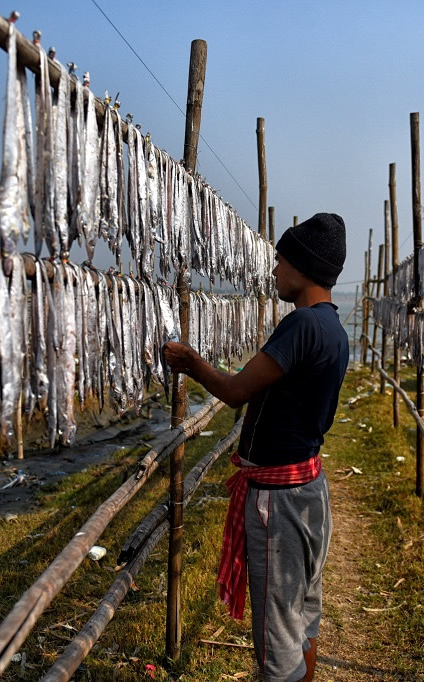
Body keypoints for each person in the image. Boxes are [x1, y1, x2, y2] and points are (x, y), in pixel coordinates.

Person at [163, 212, 349, 682]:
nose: (274, 272)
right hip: (309, 491)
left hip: (280, 505)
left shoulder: (301, 326)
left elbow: (235, 391)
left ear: (303, 268)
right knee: (303, 617)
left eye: (281, 261)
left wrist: (189, 362)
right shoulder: (334, 329)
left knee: (276, 642)